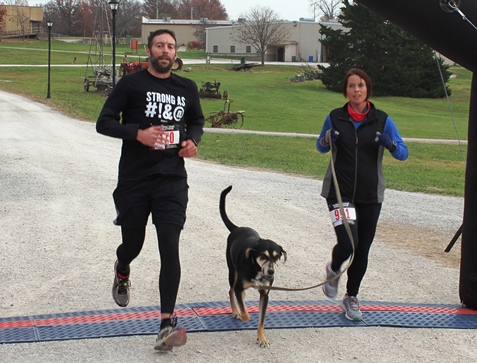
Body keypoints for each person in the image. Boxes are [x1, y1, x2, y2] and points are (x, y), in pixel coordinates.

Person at [96, 29, 204, 351]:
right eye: (160, 45)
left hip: (171, 179)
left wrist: (192, 141)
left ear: (175, 52)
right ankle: (122, 266)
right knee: (134, 243)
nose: (165, 51)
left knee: (169, 247)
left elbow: (197, 121)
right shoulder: (130, 84)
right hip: (134, 180)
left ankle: (165, 325)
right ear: (149, 50)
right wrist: (137, 134)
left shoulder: (187, 88)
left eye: (170, 46)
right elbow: (103, 121)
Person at [316, 68, 408, 321]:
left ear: (368, 89)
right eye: (351, 86)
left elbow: (403, 152)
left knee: (363, 248)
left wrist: (390, 145)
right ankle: (333, 269)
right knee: (348, 242)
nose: (356, 90)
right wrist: (327, 138)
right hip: (339, 191)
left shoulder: (382, 119)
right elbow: (320, 146)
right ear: (345, 90)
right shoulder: (335, 117)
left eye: (361, 85)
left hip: (370, 195)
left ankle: (351, 297)